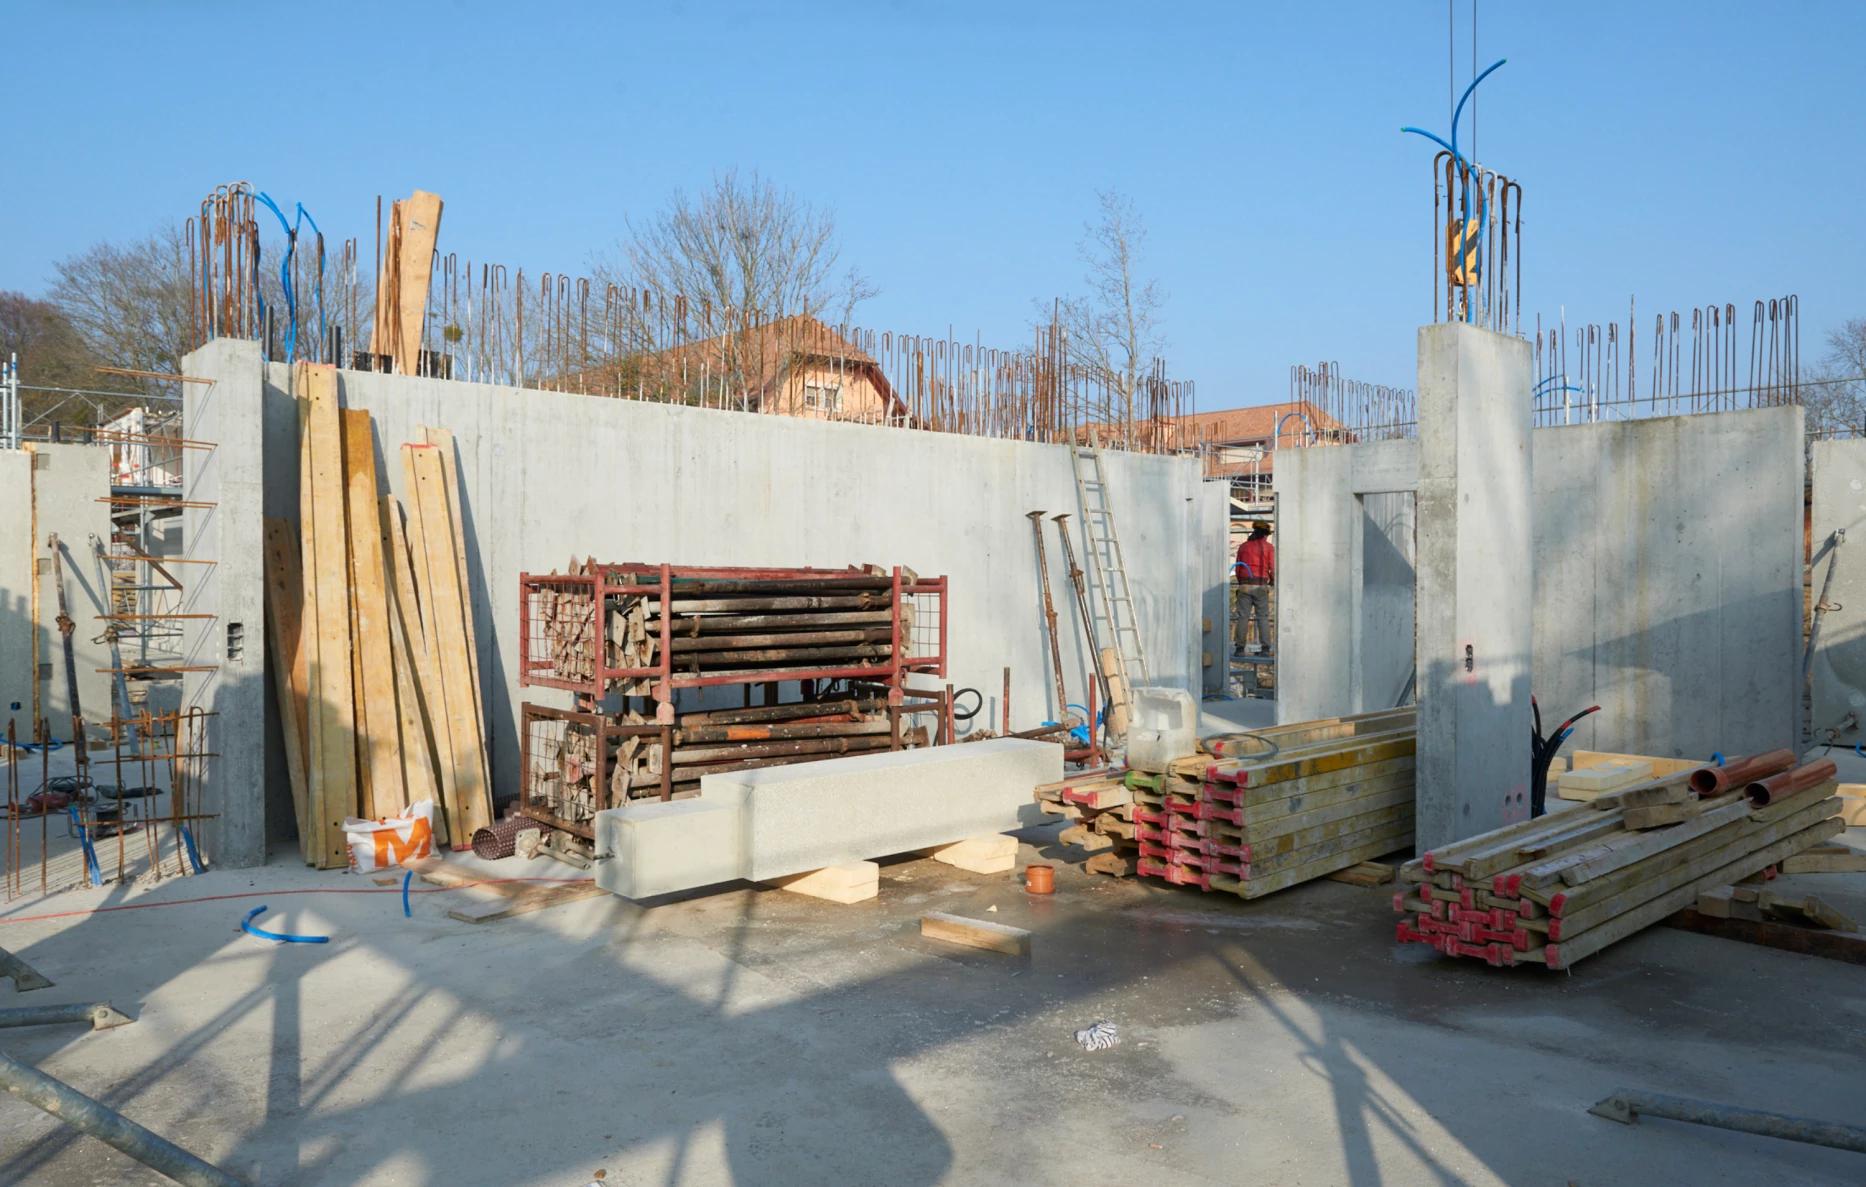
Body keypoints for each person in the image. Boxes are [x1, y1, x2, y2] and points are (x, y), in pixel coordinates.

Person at [1234, 520, 1274, 656]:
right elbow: (1272, 567)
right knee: (1262, 617)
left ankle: (1239, 649)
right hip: (1261, 585)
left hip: (1245, 585)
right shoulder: (1268, 547)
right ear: (1265, 535)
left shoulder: (1244, 547)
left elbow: (1238, 568)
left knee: (1243, 617)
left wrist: (1241, 584)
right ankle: (1265, 649)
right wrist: (1273, 581)